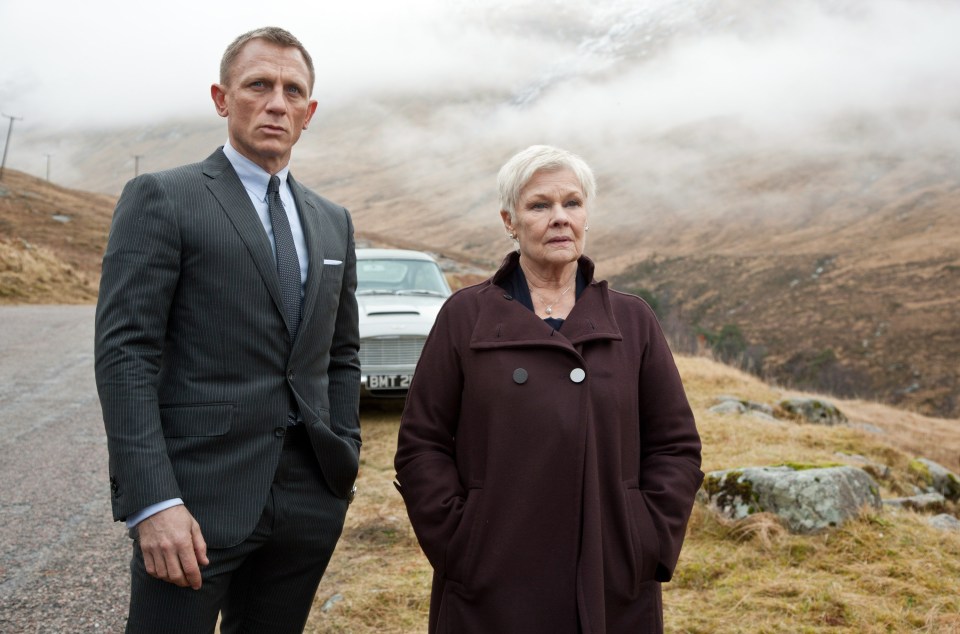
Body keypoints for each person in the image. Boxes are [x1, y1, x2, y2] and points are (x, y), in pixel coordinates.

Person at [94, 26, 361, 633]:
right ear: (221, 98)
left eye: (293, 91)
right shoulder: (163, 198)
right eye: (258, 85)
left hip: (305, 508)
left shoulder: (331, 221)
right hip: (192, 508)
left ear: (309, 112)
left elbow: (340, 354)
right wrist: (153, 502)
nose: (277, 103)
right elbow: (124, 355)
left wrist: (342, 456)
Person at [394, 145, 703, 633]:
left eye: (572, 203)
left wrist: (644, 537)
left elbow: (676, 446)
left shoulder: (632, 320)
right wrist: (462, 540)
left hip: (611, 573)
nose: (560, 218)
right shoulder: (465, 316)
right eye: (540, 205)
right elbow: (422, 444)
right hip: (492, 577)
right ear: (509, 222)